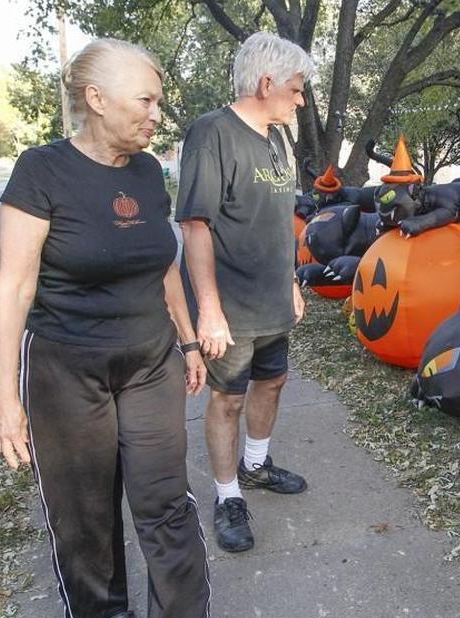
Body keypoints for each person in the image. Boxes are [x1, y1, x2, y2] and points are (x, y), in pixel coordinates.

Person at [0, 39, 214, 618]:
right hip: (66, 367)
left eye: (159, 102)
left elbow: (163, 262)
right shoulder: (42, 170)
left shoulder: (146, 171)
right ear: (96, 98)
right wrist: (4, 396)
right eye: (146, 100)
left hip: (148, 360)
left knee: (166, 499)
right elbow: (13, 286)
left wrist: (188, 340)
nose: (156, 114)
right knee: (83, 508)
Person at [176, 32, 315, 553]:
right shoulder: (211, 133)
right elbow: (195, 226)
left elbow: (280, 222)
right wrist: (208, 311)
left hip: (273, 300)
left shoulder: (277, 136)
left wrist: (293, 281)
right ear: (266, 83)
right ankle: (228, 494)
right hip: (229, 309)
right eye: (296, 89)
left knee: (273, 384)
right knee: (228, 400)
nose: (301, 99)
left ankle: (255, 466)